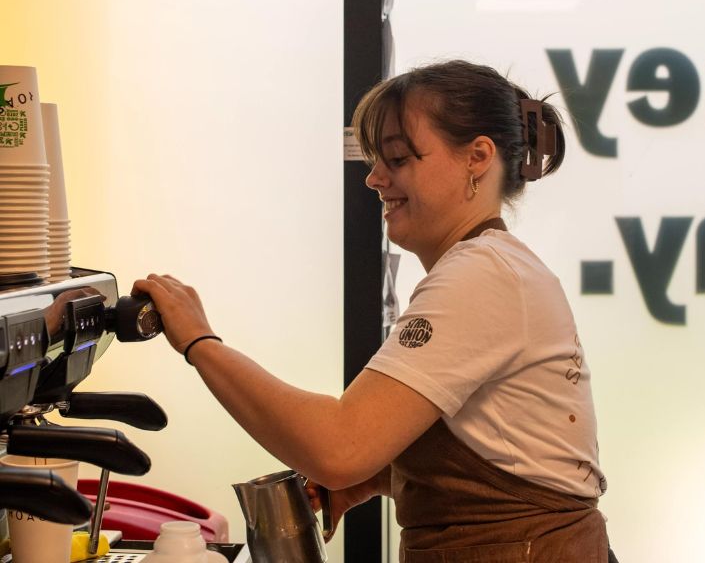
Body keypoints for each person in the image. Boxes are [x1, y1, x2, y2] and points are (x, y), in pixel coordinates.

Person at [133, 60, 615, 562]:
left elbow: (339, 447)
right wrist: (383, 478)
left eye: (399, 158)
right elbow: (508, 452)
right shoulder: (495, 267)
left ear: (477, 158)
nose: (373, 178)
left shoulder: (483, 274)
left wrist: (200, 343)